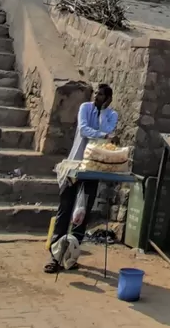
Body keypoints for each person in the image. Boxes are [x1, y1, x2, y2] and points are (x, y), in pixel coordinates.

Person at [43, 83, 117, 274]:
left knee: (81, 213)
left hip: (92, 169)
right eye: (96, 94)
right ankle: (55, 256)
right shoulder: (85, 108)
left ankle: (71, 257)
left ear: (108, 99)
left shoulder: (111, 115)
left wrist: (102, 114)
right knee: (65, 210)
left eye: (101, 96)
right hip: (75, 165)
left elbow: (106, 136)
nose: (96, 98)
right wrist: (103, 134)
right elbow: (85, 130)